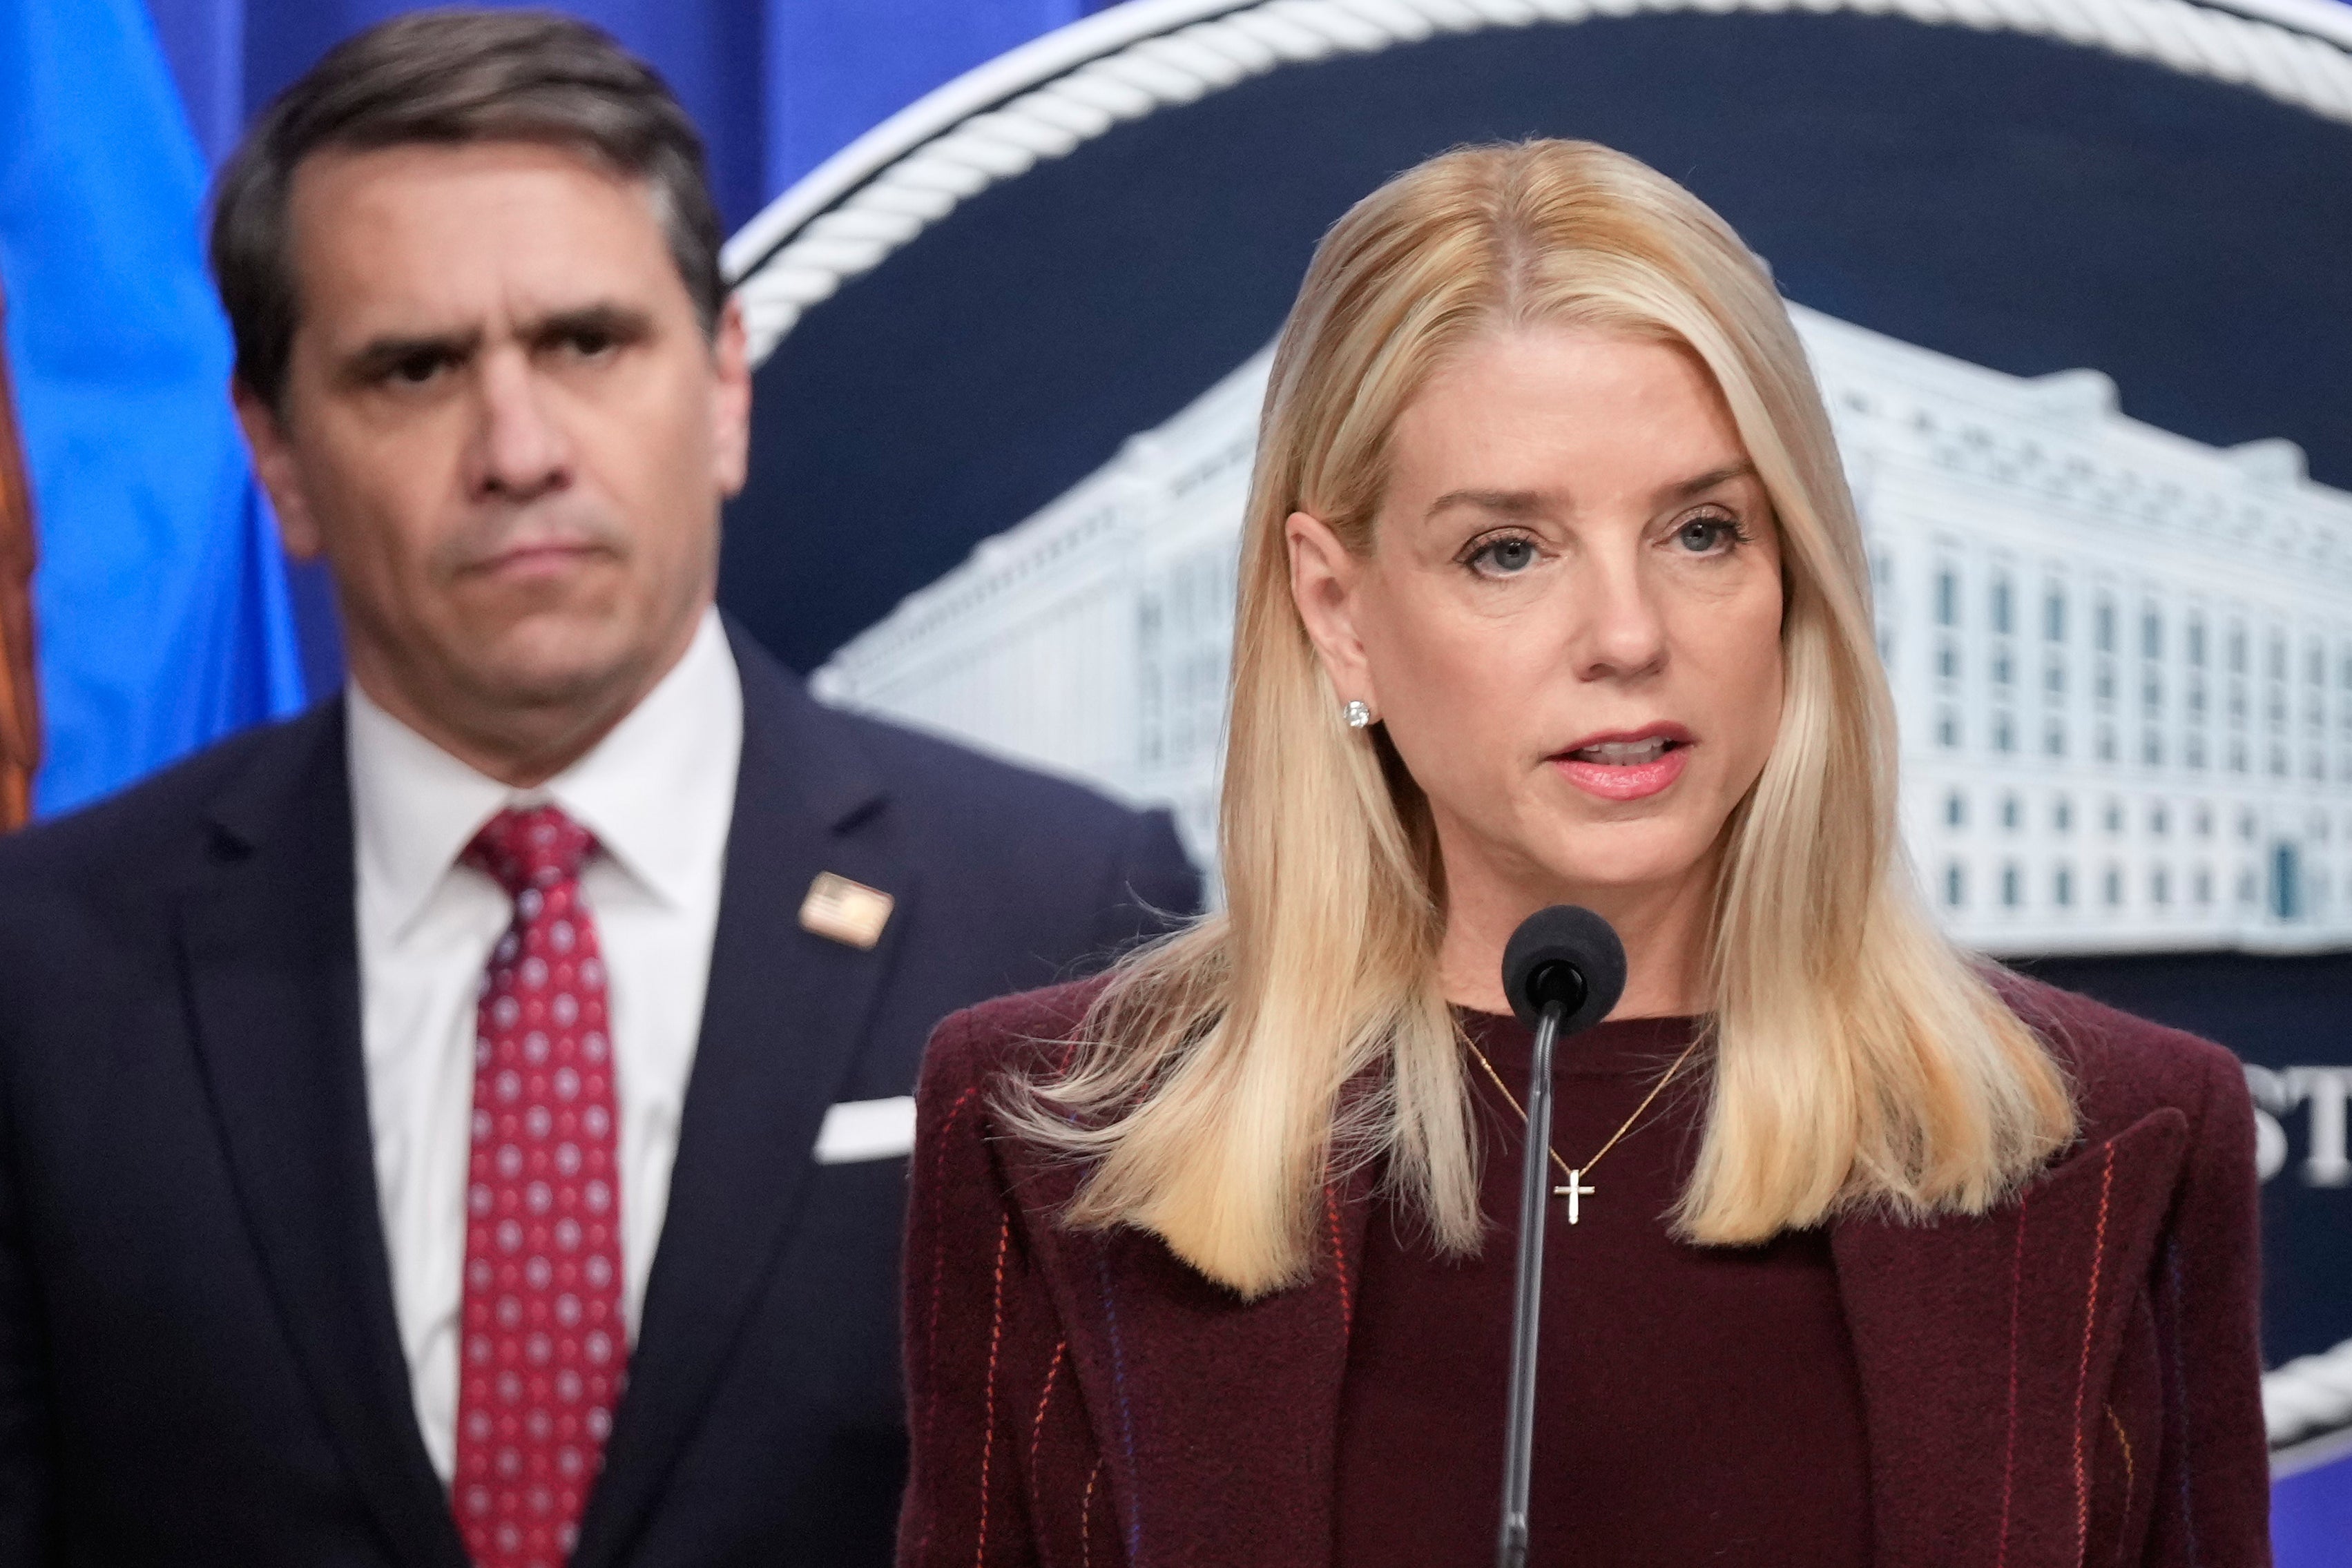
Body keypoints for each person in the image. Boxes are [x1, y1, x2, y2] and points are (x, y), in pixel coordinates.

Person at [898, 139, 2268, 1567]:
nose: (1625, 634)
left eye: (1699, 529)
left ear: (1792, 574)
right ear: (1337, 607)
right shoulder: (1053, 1135)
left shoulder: (2117, 1137)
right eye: (1507, 549)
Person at [0, 12, 1196, 1567]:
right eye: (414, 367)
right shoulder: (46, 966)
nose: (516, 447)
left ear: (722, 387)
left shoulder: (1064, 911)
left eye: (585, 342)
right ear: (279, 457)